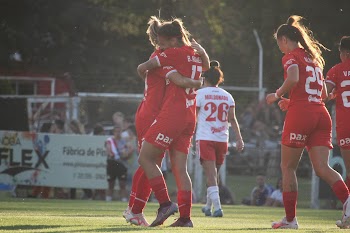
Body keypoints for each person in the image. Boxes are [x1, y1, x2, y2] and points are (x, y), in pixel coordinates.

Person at [266, 15, 350, 229]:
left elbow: (293, 78)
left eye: (279, 43)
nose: (280, 49)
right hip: (321, 115)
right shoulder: (313, 58)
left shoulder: (291, 57)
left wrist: (277, 95)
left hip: (302, 115)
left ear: (284, 39)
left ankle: (290, 220)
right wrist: (292, 101)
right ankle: (349, 203)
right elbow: (321, 94)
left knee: (288, 167)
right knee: (323, 167)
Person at [123, 16, 206, 227]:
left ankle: (149, 207)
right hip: (189, 116)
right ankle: (184, 218)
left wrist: (146, 74)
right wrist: (197, 82)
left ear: (172, 39)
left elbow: (148, 68)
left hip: (167, 114)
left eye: (162, 40)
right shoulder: (195, 54)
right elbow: (204, 65)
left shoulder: (170, 55)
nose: (159, 45)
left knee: (146, 160)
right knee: (178, 168)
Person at [195, 60, 244, 217]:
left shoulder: (200, 94)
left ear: (206, 78)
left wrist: (188, 136)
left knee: (210, 176)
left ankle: (218, 208)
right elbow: (232, 119)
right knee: (213, 175)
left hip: (205, 138)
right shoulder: (227, 96)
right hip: (222, 139)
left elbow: (193, 117)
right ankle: (208, 207)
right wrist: (239, 138)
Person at [325, 36, 350, 191]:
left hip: (346, 124)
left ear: (346, 53)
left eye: (340, 52)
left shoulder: (336, 70)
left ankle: (347, 211)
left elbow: (323, 94)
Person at [105, 125, 134, 202]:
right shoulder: (110, 141)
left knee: (122, 184)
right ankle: (108, 200)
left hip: (121, 164)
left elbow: (131, 149)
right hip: (112, 163)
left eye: (119, 131)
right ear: (113, 132)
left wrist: (127, 154)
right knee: (111, 184)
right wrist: (114, 154)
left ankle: (124, 201)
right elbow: (109, 151)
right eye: (116, 131)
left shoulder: (124, 141)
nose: (118, 133)